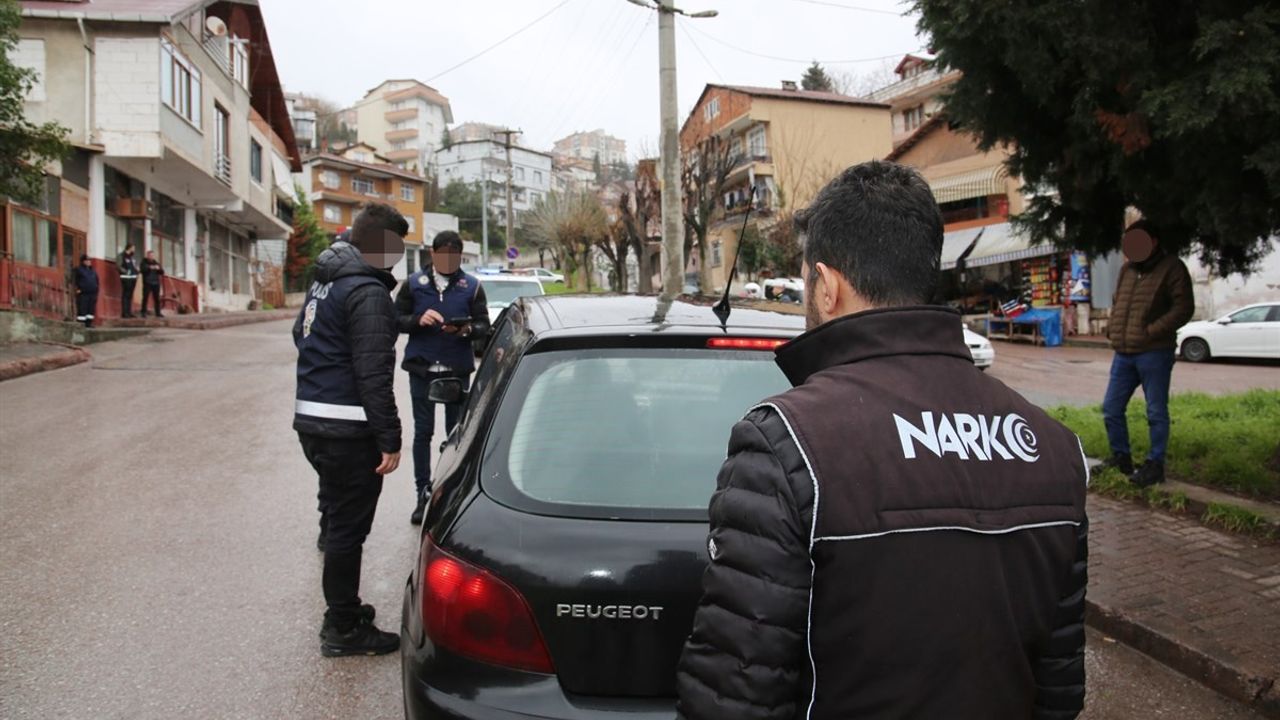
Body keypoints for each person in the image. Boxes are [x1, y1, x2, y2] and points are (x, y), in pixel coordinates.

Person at [675, 161, 1089, 720]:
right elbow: (1057, 686)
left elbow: (738, 692)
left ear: (826, 287)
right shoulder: (1052, 447)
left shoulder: (788, 443)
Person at [294, 203, 405, 657]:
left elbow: (299, 335)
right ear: (379, 245)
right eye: (394, 248)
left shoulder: (326, 281)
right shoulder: (368, 291)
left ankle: (346, 608)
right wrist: (390, 437)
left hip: (314, 422)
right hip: (347, 431)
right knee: (347, 532)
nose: (397, 258)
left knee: (338, 521)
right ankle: (342, 627)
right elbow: (373, 373)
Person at [395, 230, 488, 525]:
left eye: (454, 255)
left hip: (456, 370)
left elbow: (484, 324)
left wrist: (465, 330)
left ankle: (451, 494)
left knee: (456, 436)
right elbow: (395, 319)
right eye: (442, 254)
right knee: (423, 433)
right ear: (432, 254)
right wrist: (417, 320)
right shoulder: (413, 284)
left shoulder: (471, 286)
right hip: (422, 369)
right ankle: (422, 494)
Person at [1101, 221, 1195, 487]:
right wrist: (1112, 328)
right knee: (1111, 409)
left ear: (1153, 241)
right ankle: (1122, 458)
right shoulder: (1127, 270)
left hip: (1154, 352)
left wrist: (1152, 330)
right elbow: (1118, 301)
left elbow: (1183, 307)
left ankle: (1155, 464)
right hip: (1123, 353)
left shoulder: (1172, 267)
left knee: (1155, 411)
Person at [73, 255, 99, 328]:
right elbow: (75, 280)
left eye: (89, 261)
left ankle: (89, 324)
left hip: (92, 293)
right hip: (83, 293)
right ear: (83, 261)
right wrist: (78, 289)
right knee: (82, 309)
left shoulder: (92, 271)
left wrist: (96, 290)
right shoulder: (79, 270)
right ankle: (81, 324)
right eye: (87, 260)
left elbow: (97, 281)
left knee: (90, 309)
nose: (88, 262)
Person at [140, 249, 164, 318]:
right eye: (150, 255)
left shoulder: (156, 263)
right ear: (147, 256)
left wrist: (158, 268)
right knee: (145, 297)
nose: (151, 257)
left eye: (152, 255)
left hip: (156, 282)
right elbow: (142, 270)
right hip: (147, 282)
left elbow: (162, 272)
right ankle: (143, 312)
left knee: (157, 298)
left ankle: (158, 312)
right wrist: (150, 267)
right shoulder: (144, 262)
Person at [118, 244, 139, 318]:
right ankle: (124, 312)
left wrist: (137, 270)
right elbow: (118, 266)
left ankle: (129, 312)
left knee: (130, 295)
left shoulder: (132, 257)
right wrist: (125, 272)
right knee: (125, 295)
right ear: (129, 248)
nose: (134, 250)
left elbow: (134, 266)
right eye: (133, 248)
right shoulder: (121, 256)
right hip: (126, 278)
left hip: (133, 278)